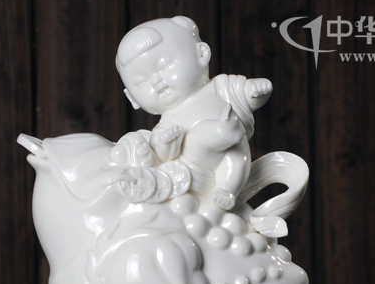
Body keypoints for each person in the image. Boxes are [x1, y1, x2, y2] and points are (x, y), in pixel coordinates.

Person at [116, 16, 273, 210]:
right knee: (195, 137)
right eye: (142, 82)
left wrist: (255, 91)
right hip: (195, 173)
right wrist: (166, 142)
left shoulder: (220, 87)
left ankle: (226, 189)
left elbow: (246, 95)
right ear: (131, 98)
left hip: (230, 155)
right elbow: (162, 156)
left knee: (236, 160)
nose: (156, 81)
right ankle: (223, 132)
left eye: (166, 66)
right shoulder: (168, 121)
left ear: (202, 53)